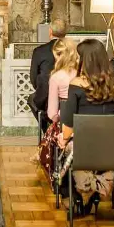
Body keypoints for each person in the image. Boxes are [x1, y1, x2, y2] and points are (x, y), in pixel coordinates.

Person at [56, 39, 114, 217]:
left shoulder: (75, 85)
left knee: (60, 146)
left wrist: (64, 138)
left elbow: (67, 125)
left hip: (84, 151)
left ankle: (74, 197)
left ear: (84, 60)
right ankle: (94, 194)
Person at [38, 38, 78, 182]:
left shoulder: (56, 77)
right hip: (87, 123)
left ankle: (57, 173)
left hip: (66, 124)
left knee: (50, 135)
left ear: (59, 55)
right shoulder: (83, 73)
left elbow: (52, 114)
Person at [28, 19, 69, 126]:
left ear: (50, 31)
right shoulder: (71, 50)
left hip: (46, 97)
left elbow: (33, 78)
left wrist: (42, 88)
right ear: (65, 33)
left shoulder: (39, 51)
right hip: (69, 98)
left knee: (32, 99)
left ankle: (46, 129)